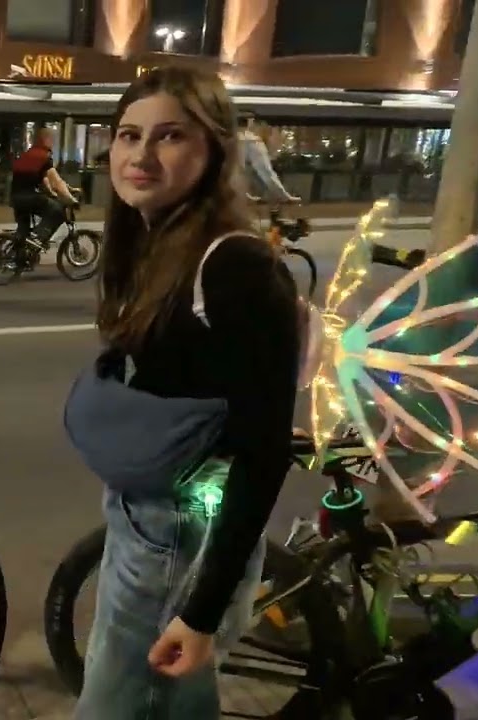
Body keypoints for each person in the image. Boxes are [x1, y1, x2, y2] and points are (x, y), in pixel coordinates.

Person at [63, 67, 301, 719]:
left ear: (215, 150)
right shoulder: (154, 239)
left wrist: (199, 612)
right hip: (148, 524)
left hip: (181, 540)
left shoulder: (234, 267)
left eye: (169, 136)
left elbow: (263, 449)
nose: (140, 155)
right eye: (127, 134)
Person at [9, 127, 78, 246]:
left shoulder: (29, 154)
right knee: (58, 211)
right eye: (52, 139)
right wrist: (71, 200)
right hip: (28, 197)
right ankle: (39, 237)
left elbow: (46, 180)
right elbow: (56, 182)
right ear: (45, 139)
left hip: (15, 198)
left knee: (23, 232)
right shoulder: (43, 156)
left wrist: (67, 189)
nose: (54, 142)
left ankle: (22, 255)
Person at [239, 114, 299, 205]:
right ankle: (282, 196)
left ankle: (242, 195)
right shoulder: (252, 139)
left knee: (237, 170)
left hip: (241, 137)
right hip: (246, 138)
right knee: (262, 171)